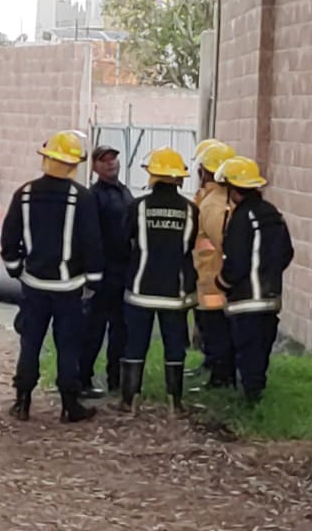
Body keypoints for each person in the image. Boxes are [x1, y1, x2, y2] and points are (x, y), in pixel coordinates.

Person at [0, 129, 104, 423]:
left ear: (46, 158)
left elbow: (9, 239)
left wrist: (15, 269)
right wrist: (93, 281)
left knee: (30, 343)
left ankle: (22, 402)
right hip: (69, 288)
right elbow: (92, 242)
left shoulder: (25, 193)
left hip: (33, 286)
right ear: (73, 164)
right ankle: (70, 406)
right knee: (68, 345)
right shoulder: (81, 198)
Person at [118, 147, 200, 413]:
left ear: (153, 176)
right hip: (174, 292)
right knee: (174, 346)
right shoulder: (190, 210)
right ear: (178, 178)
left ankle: (130, 400)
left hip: (141, 289)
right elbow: (188, 246)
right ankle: (175, 403)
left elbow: (126, 241)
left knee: (135, 344)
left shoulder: (137, 207)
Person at [214, 156, 295, 403]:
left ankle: (250, 403)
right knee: (261, 350)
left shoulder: (241, 218)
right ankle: (256, 395)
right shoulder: (273, 213)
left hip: (246, 300)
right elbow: (287, 252)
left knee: (247, 353)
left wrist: (222, 283)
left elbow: (236, 261)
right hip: (271, 299)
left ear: (234, 190)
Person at [80, 145, 132, 399]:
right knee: (93, 329)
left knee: (121, 329)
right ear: (95, 167)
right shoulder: (94, 196)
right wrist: (93, 271)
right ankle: (83, 378)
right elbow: (91, 236)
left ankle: (116, 379)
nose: (111, 163)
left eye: (113, 159)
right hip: (103, 273)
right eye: (104, 160)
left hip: (124, 272)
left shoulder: (124, 192)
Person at [192, 141, 237, 388]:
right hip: (210, 274)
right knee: (212, 326)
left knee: (216, 328)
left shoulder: (213, 203)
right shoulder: (215, 198)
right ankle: (216, 369)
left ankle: (221, 377)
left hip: (212, 277)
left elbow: (220, 240)